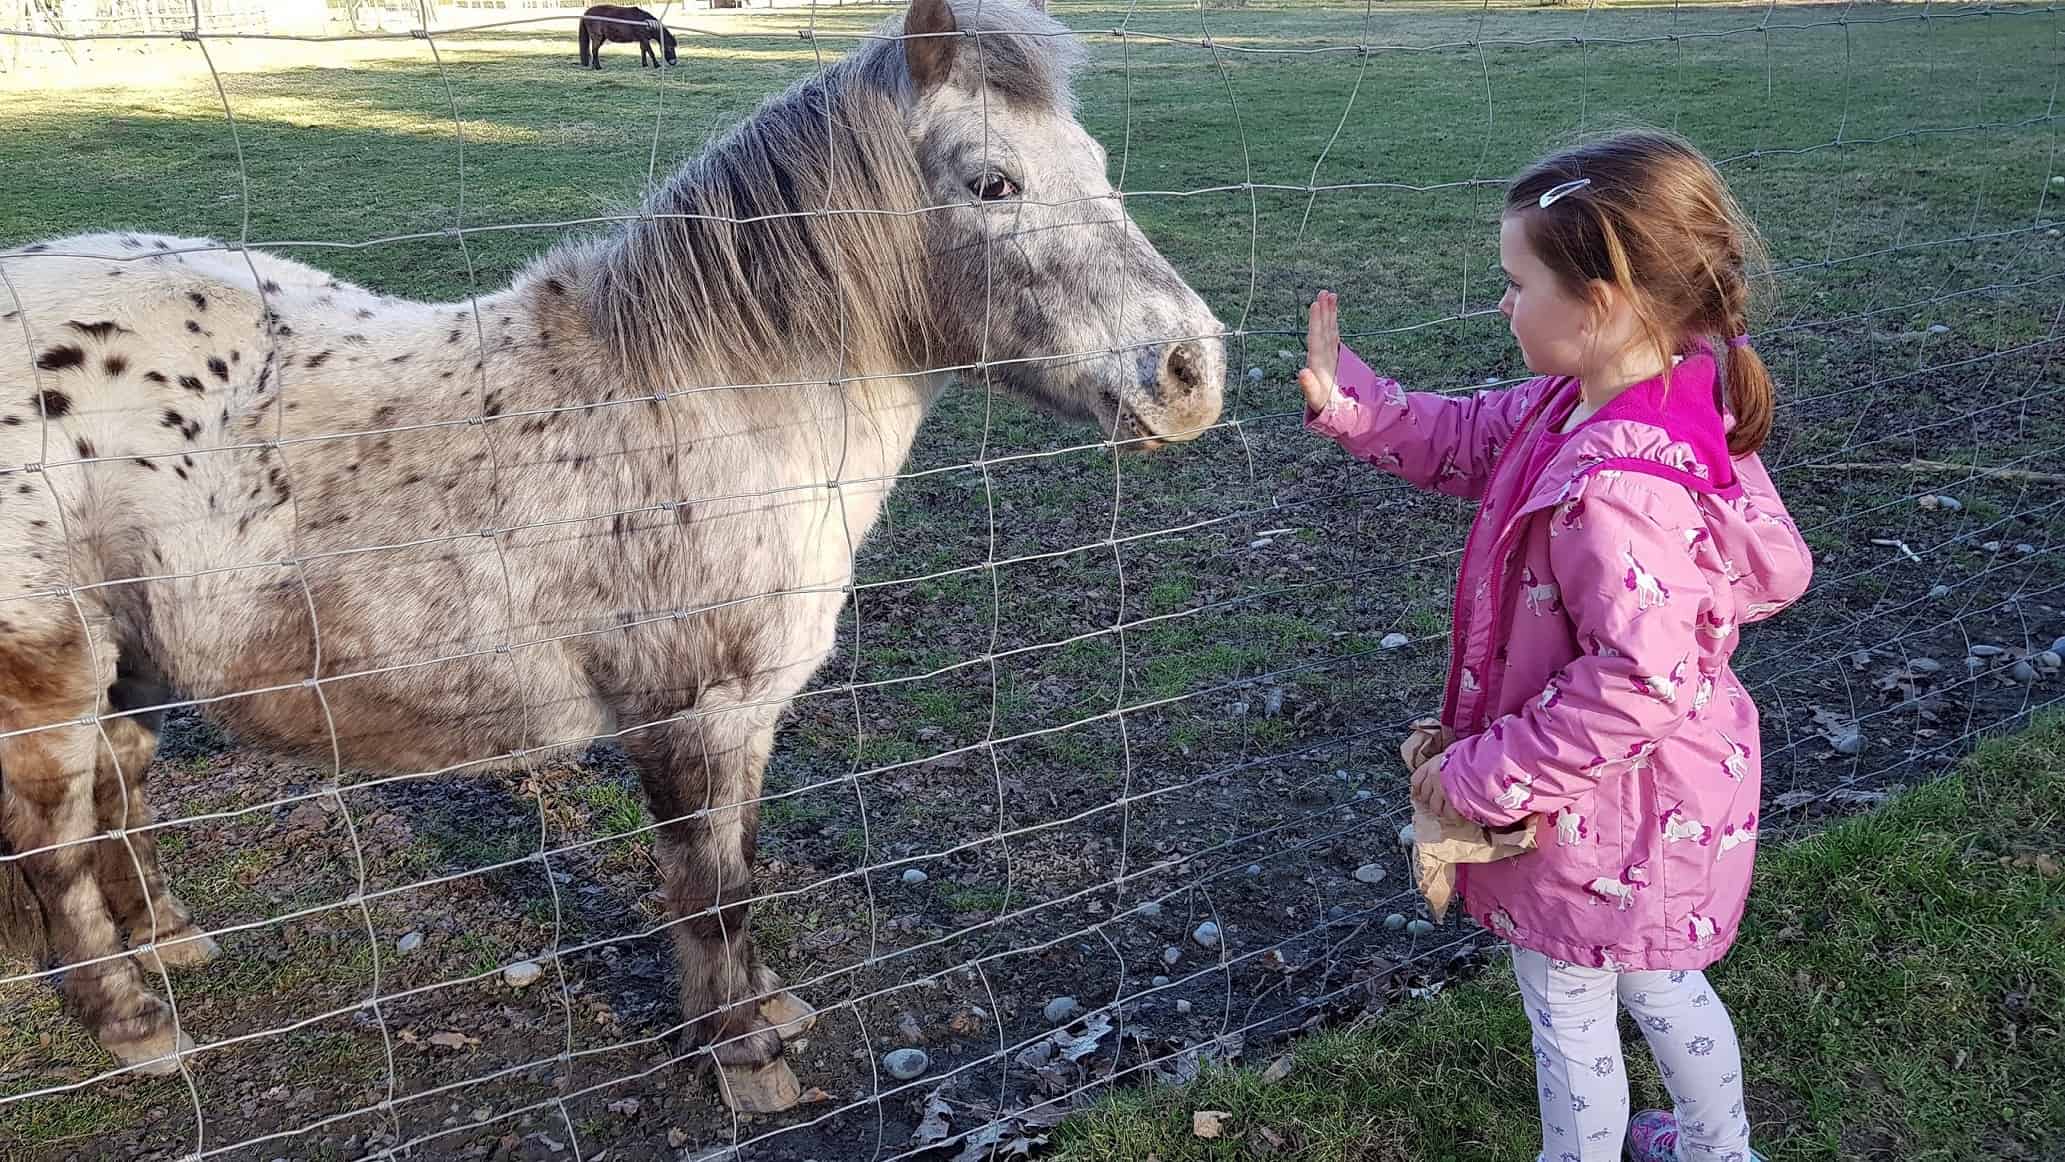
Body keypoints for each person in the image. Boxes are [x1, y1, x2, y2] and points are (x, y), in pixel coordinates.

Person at [1297, 129, 1814, 1162]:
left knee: (1569, 1003)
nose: (1502, 303)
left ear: (1604, 301)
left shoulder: (1616, 491)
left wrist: (1482, 778)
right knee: (1664, 984)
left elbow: (1635, 681)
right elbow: (1469, 437)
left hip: (1598, 816)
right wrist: (1356, 406)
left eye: (1517, 281)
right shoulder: (1628, 394)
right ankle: (1719, 1151)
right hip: (1656, 804)